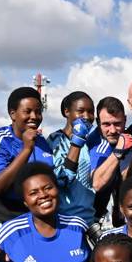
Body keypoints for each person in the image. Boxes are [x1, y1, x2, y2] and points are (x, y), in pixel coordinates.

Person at [0, 86, 55, 230]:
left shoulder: (42, 142)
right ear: (13, 114)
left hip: (34, 220)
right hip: (1, 220)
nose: (34, 116)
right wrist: (26, 149)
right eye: (28, 111)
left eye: (38, 112)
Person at [90, 97, 132, 228]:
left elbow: (129, 181)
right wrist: (118, 151)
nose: (112, 130)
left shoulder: (125, 138)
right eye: (106, 124)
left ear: (125, 120)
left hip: (116, 219)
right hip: (92, 220)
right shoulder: (96, 143)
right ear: (97, 122)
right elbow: (97, 184)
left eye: (117, 124)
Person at [47, 91, 98, 226]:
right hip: (64, 221)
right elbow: (61, 179)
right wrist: (77, 142)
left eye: (91, 111)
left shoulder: (92, 143)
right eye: (80, 111)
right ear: (67, 112)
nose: (86, 116)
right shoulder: (55, 141)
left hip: (89, 220)